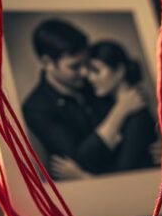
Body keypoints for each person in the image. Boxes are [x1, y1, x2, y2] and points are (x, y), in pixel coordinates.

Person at [21, 20, 145, 179]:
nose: (85, 72)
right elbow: (79, 159)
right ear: (47, 63)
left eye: (86, 63)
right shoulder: (36, 107)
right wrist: (120, 111)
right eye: (74, 66)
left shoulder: (95, 84)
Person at [47, 40, 160, 178]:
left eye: (96, 71)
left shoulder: (138, 116)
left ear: (119, 71)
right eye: (89, 72)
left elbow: (125, 179)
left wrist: (82, 176)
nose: (90, 78)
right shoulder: (106, 105)